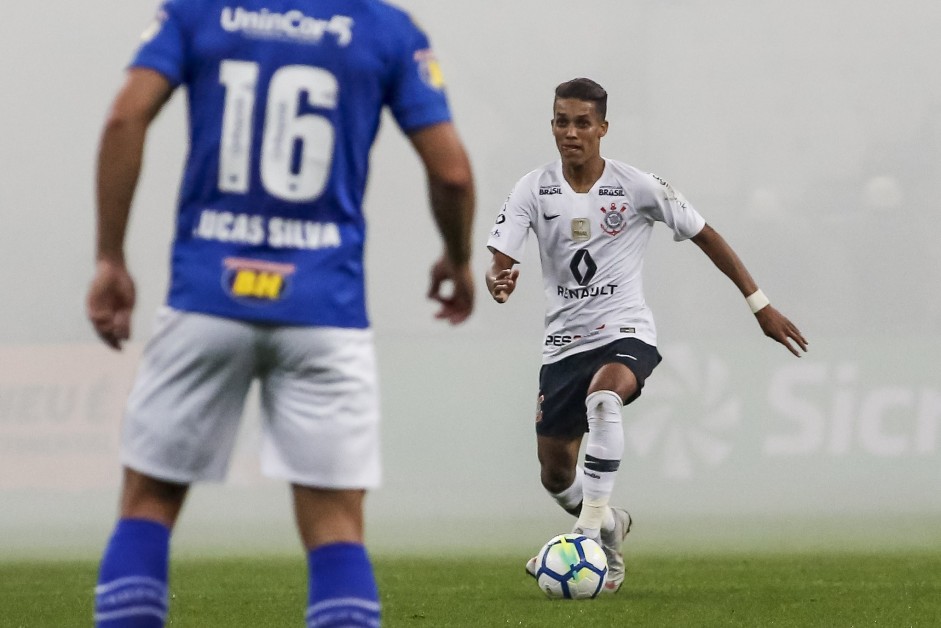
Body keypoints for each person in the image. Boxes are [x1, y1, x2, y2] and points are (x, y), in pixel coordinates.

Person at [86, 1, 475, 626]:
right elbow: (452, 173)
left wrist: (110, 256)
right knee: (336, 527)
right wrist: (457, 259)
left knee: (149, 503)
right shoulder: (385, 28)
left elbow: (124, 118)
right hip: (326, 311)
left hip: (205, 297)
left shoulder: (200, 11)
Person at [485, 78, 806, 594]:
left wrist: (760, 306)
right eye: (562, 121)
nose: (571, 132)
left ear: (603, 129)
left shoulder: (637, 186)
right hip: (563, 345)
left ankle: (586, 535)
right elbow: (500, 260)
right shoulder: (532, 188)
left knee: (605, 398)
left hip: (626, 331)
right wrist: (497, 280)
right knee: (555, 474)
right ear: (552, 125)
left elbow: (707, 234)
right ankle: (611, 524)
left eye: (582, 123)